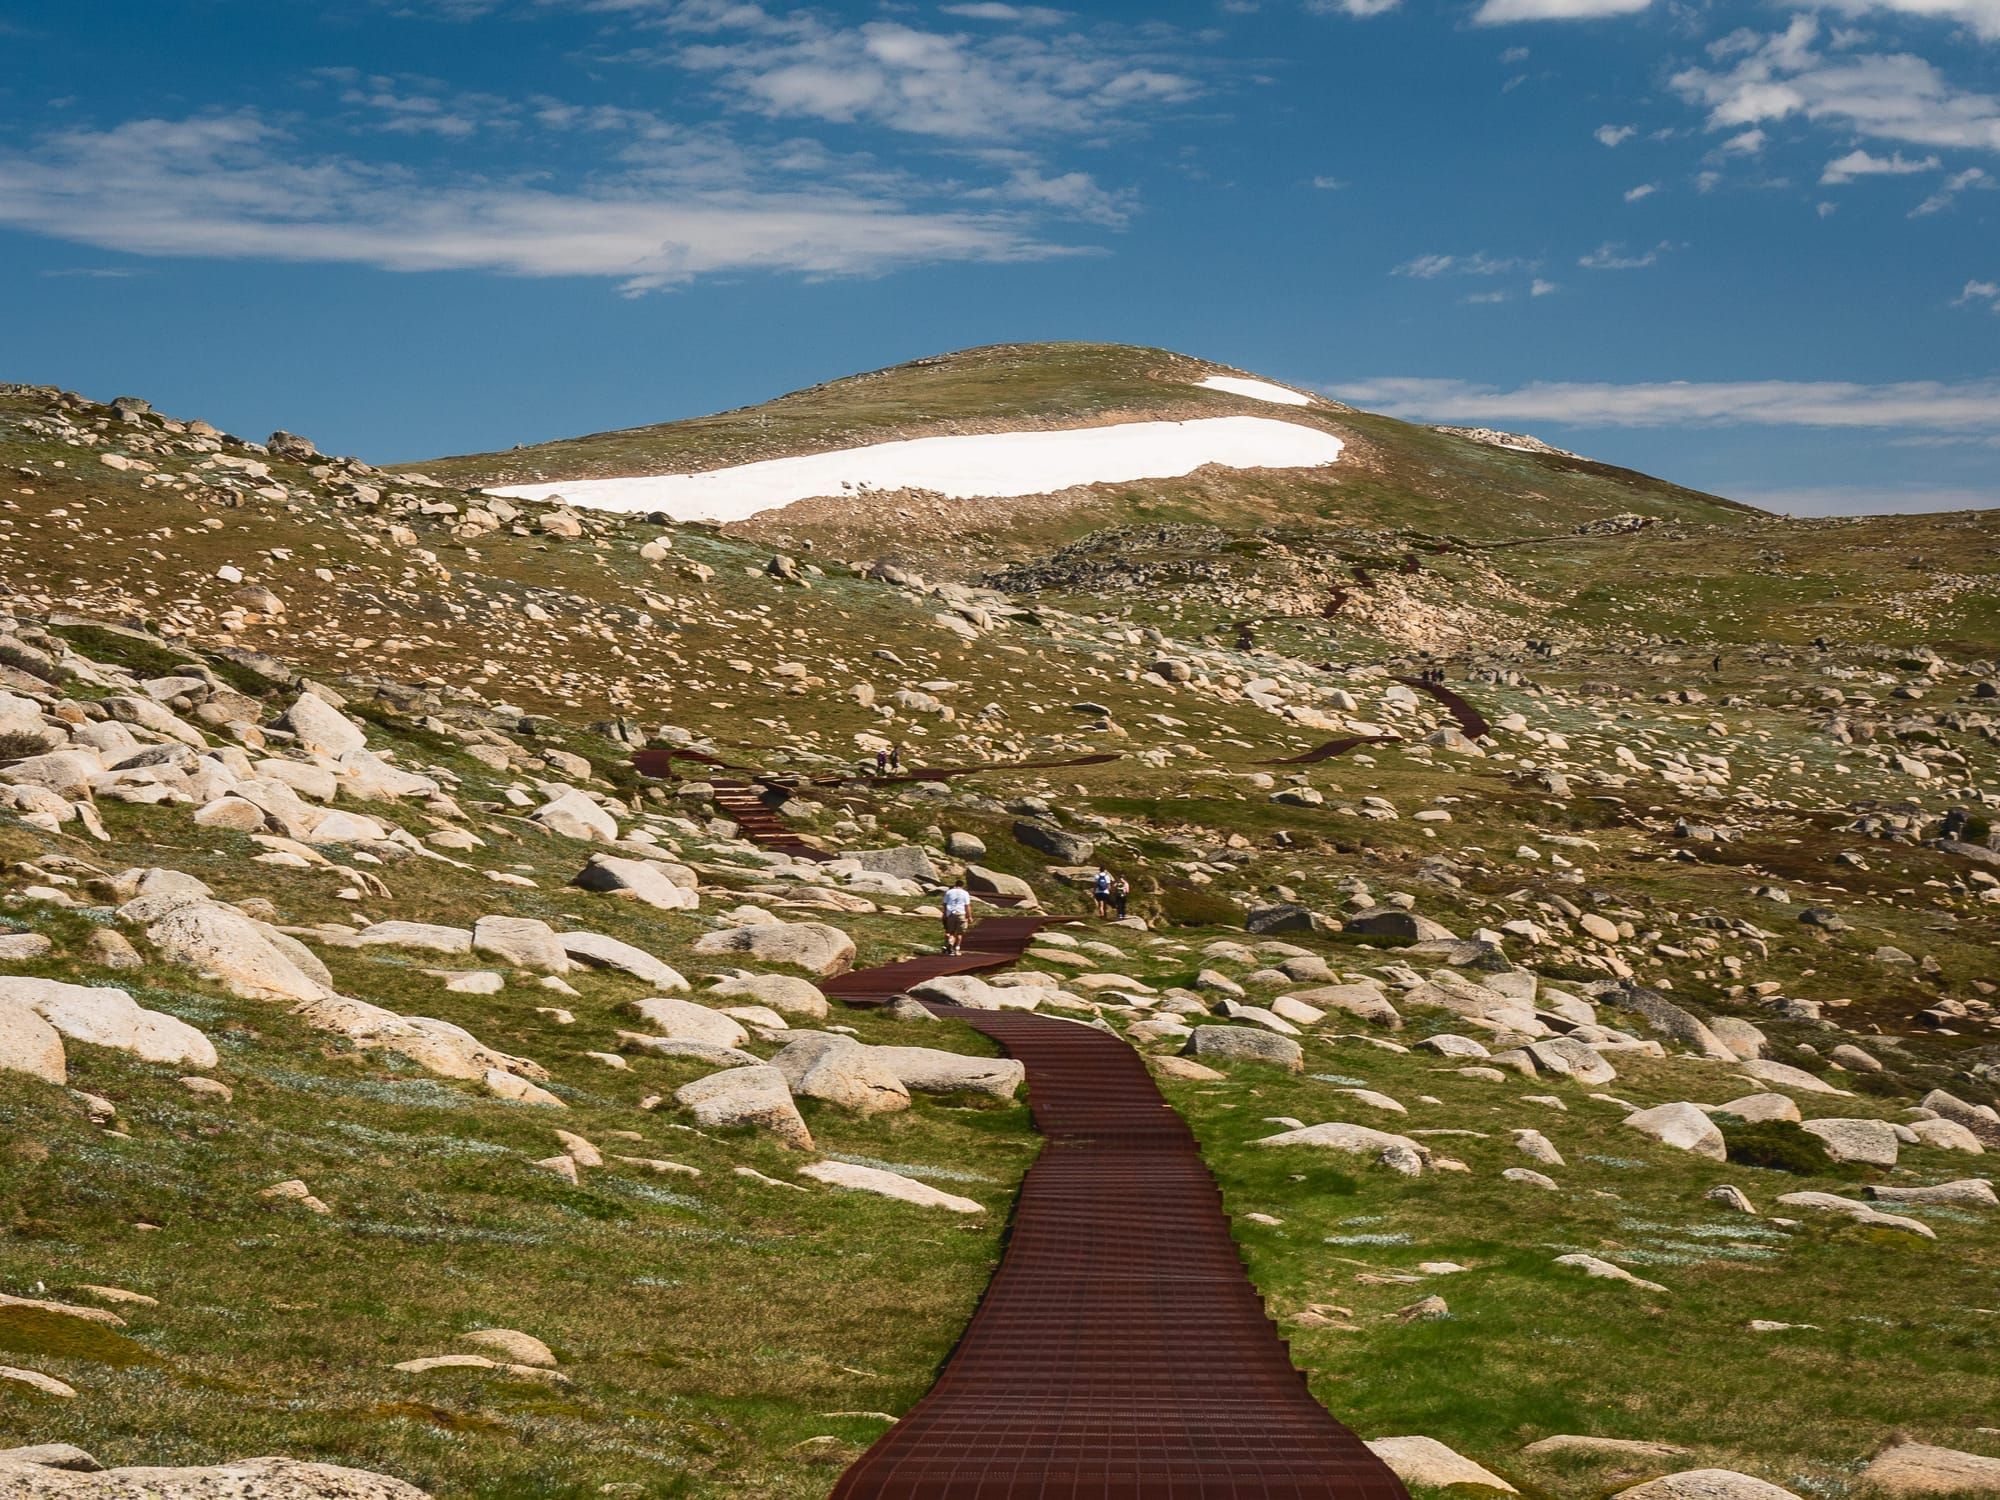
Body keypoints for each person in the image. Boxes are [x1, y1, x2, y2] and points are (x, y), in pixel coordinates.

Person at [941, 877, 971, 955]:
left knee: (950, 932)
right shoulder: (965, 893)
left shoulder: (949, 892)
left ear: (955, 884)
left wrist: (944, 913)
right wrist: (969, 916)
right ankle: (957, 949)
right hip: (961, 913)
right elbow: (967, 906)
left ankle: (948, 945)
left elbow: (944, 904)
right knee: (959, 933)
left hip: (950, 913)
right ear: (962, 885)